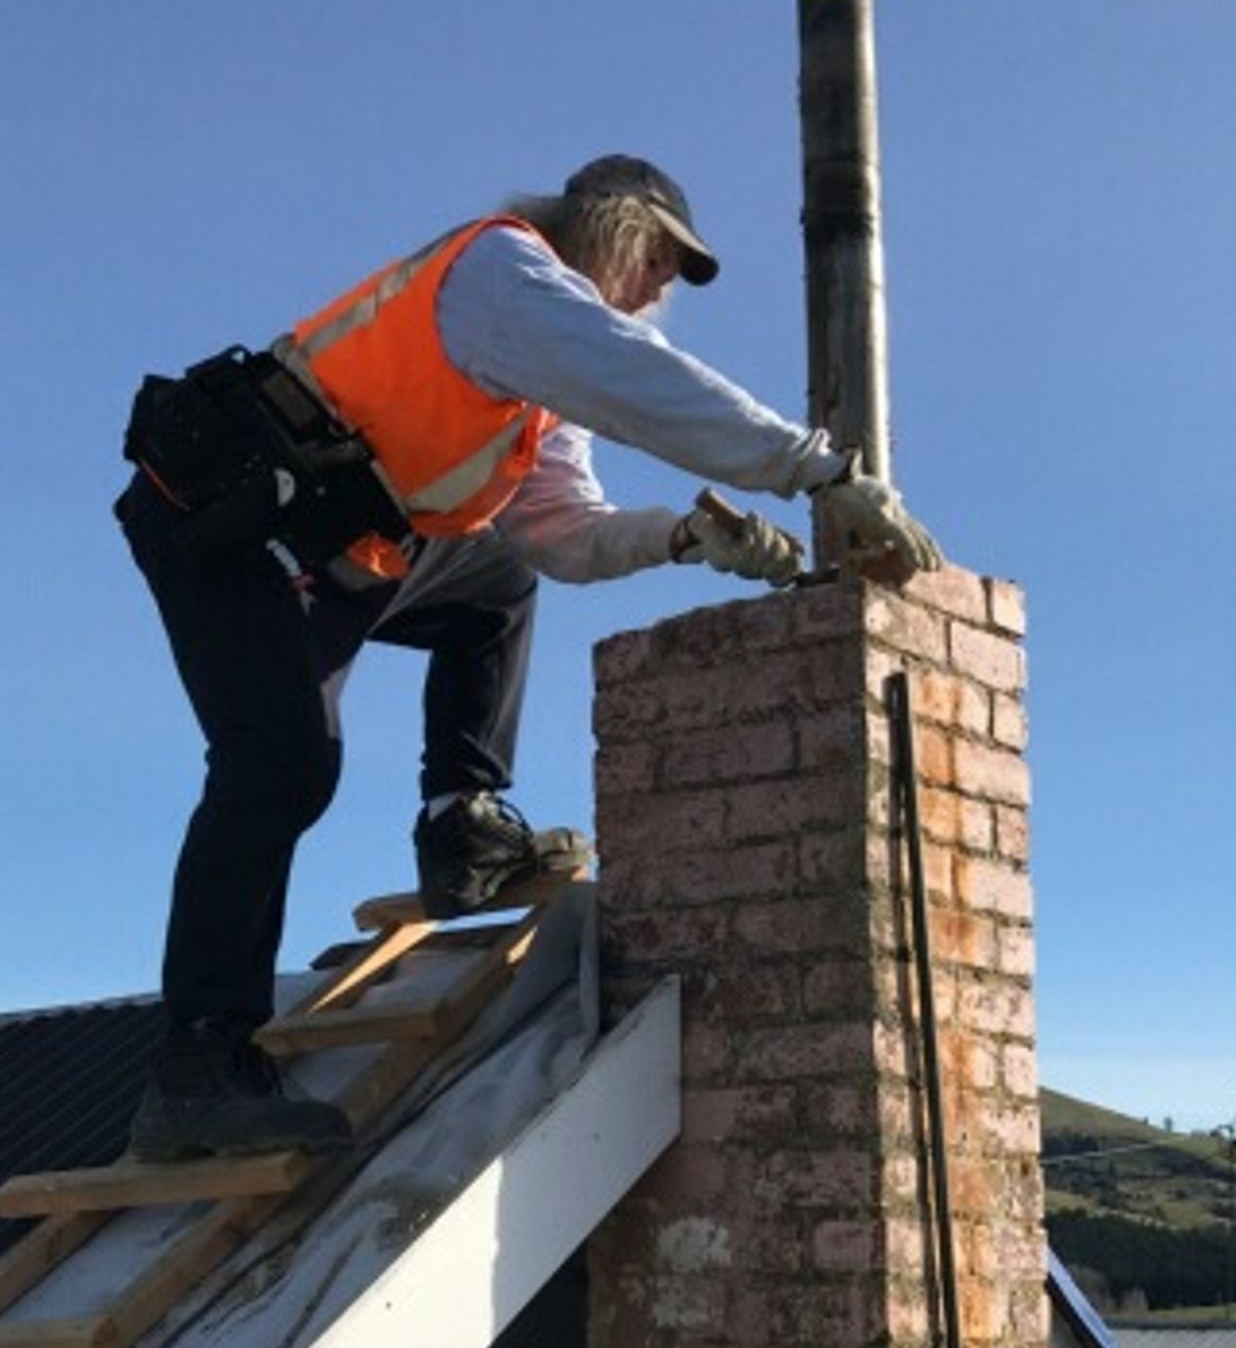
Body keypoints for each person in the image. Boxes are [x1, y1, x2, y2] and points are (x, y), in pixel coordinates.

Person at [116, 154, 940, 1163]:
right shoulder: (503, 273)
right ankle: (198, 1064)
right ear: (615, 224)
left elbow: (562, 537)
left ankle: (460, 820)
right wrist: (815, 470)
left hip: (334, 543)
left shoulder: (533, 389)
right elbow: (633, 377)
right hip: (228, 522)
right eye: (665, 261)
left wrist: (684, 536)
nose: (663, 291)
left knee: (497, 578)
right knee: (279, 764)